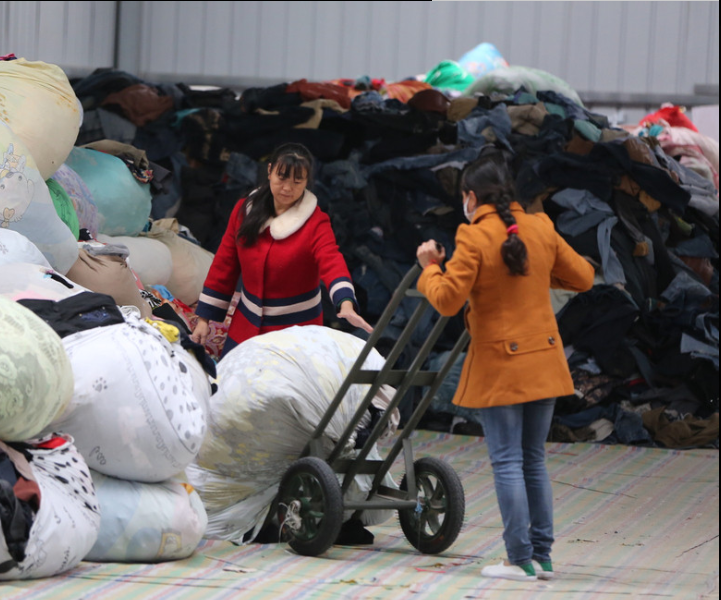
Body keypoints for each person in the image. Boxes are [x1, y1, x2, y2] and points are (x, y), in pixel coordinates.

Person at [415, 152, 595, 582]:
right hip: (545, 361)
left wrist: (430, 267)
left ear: (471, 196)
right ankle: (543, 558)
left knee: (508, 462)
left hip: (501, 365)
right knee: (534, 461)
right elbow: (584, 277)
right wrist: (534, 274)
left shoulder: (474, 236)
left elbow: (446, 300)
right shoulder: (540, 227)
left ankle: (518, 559)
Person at [191, 142, 372, 357]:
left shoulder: (316, 223)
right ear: (269, 171)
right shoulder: (243, 210)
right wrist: (204, 319)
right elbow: (224, 265)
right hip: (245, 328)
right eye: (282, 178)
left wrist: (345, 302)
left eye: (297, 181)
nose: (287, 188)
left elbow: (331, 260)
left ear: (307, 182)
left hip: (297, 334)